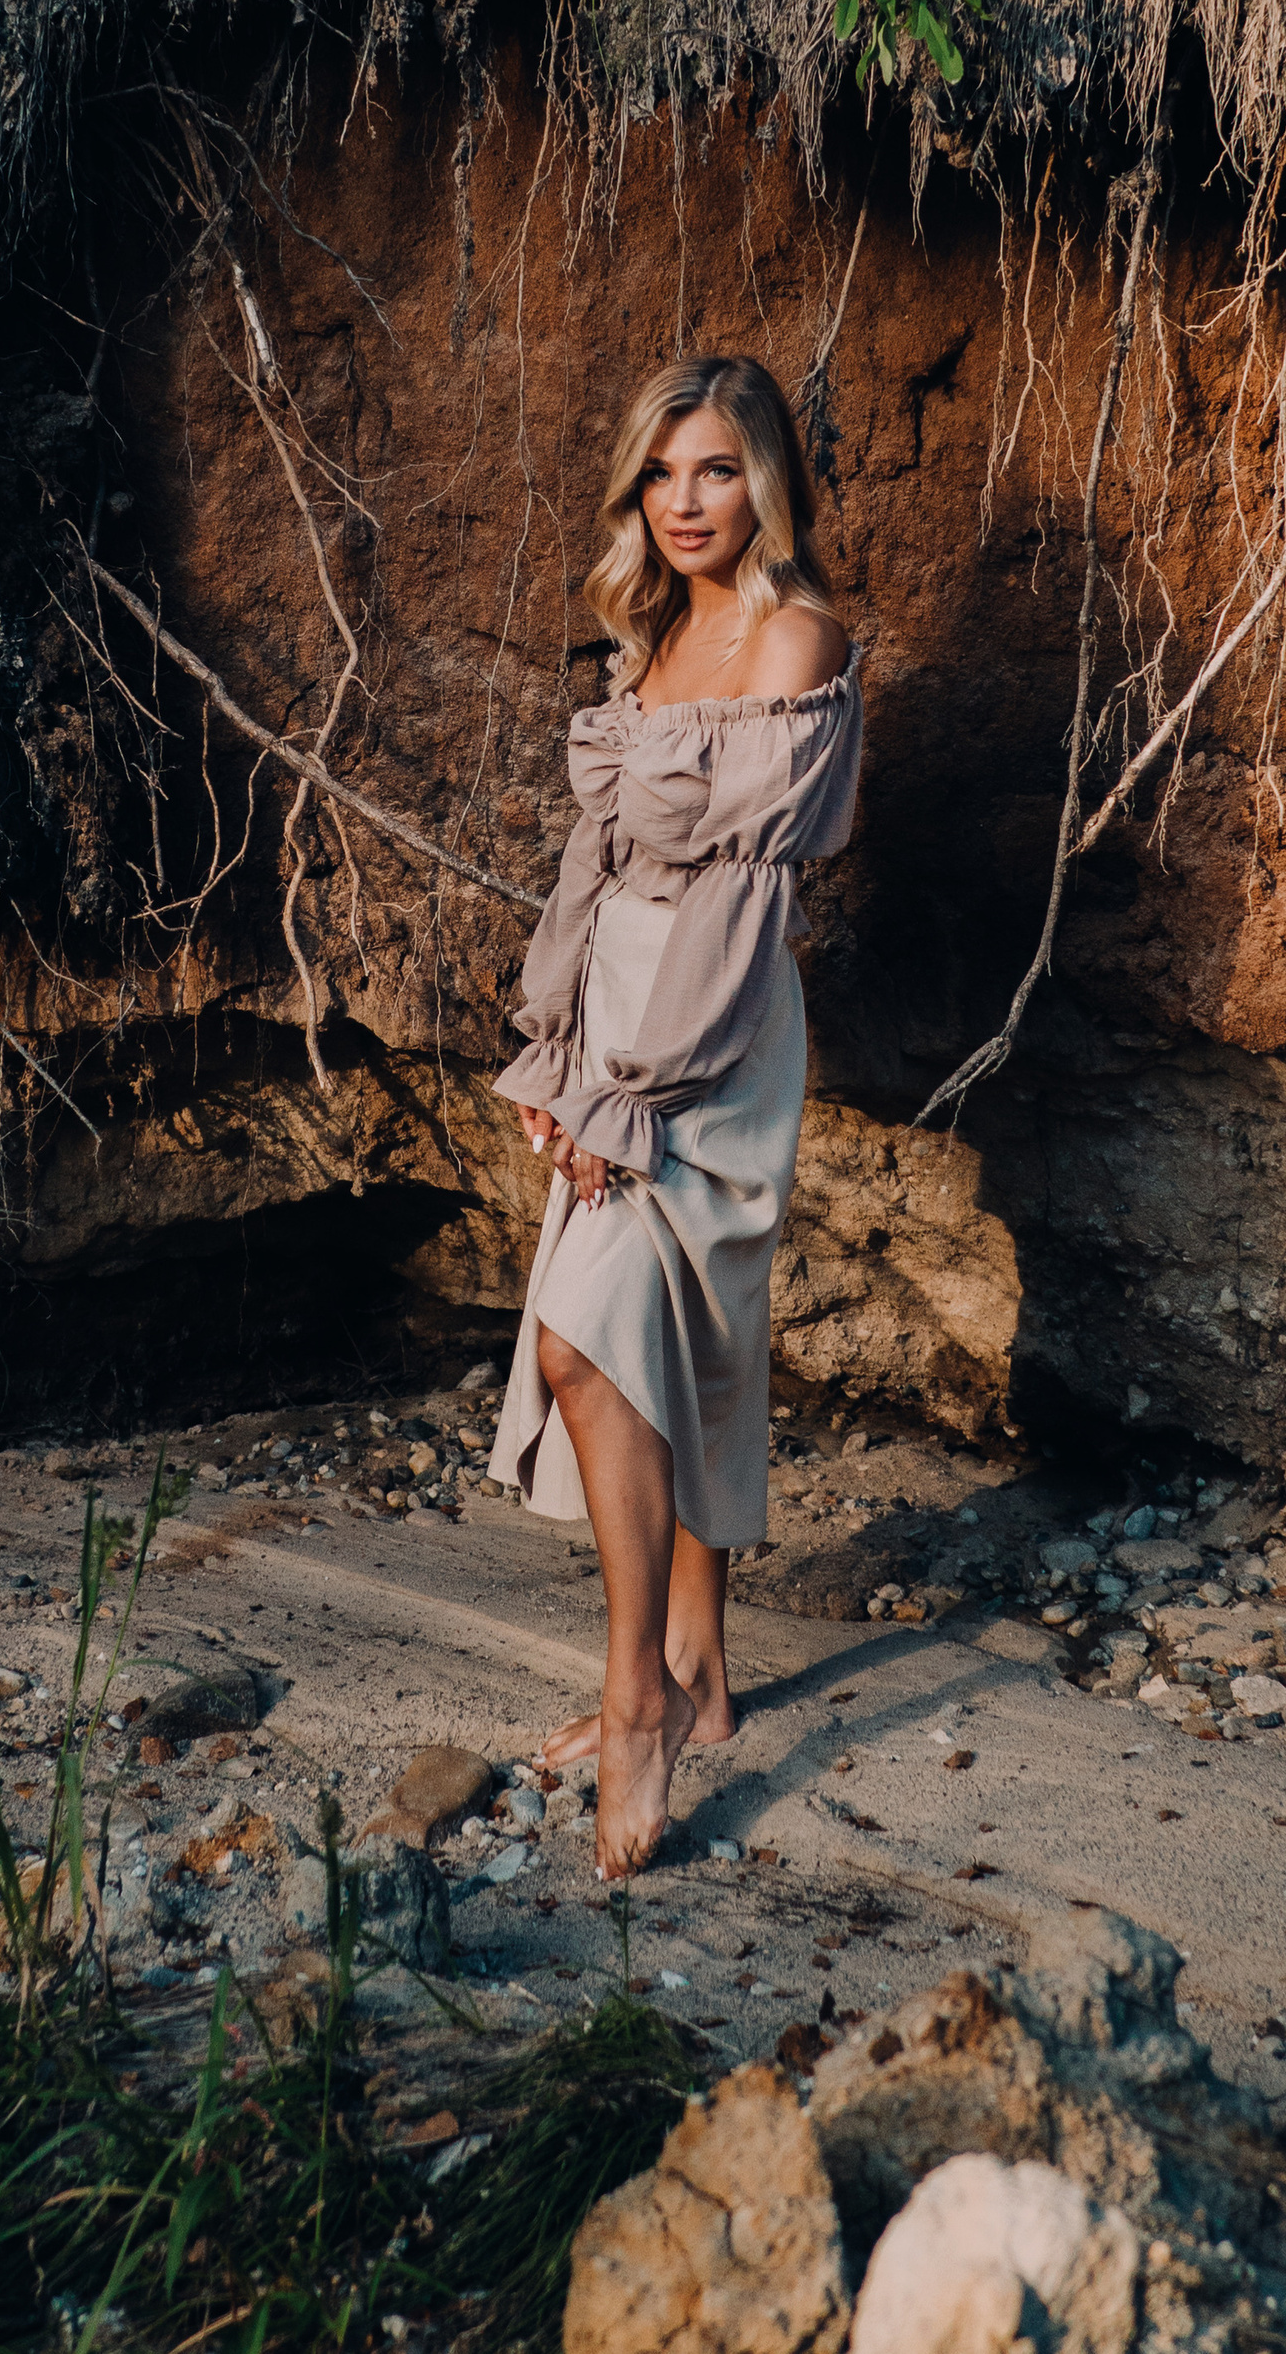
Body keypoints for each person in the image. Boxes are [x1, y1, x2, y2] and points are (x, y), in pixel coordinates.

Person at [489, 353, 861, 1878]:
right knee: (684, 1333)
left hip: (705, 1038)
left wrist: (627, 1089)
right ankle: (701, 1669)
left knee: (588, 1342)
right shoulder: (652, 632)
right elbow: (598, 874)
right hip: (619, 1028)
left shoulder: (794, 637)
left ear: (761, 475)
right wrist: (558, 1048)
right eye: (662, 473)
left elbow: (741, 901)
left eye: (712, 469)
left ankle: (636, 1693)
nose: (685, 500)